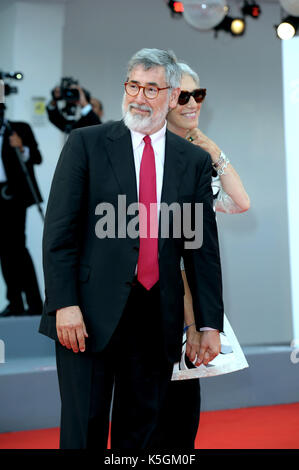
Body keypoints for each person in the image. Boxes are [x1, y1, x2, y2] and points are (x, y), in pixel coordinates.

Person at [39, 48, 224, 449]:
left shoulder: (191, 161)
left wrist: (207, 322)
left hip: (156, 320)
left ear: (173, 95)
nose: (139, 97)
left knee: (141, 434)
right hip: (84, 318)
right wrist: (63, 304)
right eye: (133, 85)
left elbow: (200, 249)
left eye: (151, 88)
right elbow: (59, 234)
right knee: (82, 431)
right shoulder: (85, 143)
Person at [152, 62, 250, 448]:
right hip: (162, 301)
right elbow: (173, 250)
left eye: (199, 95)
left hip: (188, 299)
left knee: (182, 415)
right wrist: (193, 321)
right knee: (154, 415)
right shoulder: (152, 155)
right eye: (184, 96)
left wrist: (210, 148)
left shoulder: (196, 154)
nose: (193, 104)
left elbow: (240, 202)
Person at [0, 104, 43, 317]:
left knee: (17, 248)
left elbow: (37, 156)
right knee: (4, 251)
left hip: (15, 197)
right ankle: (14, 302)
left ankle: (34, 302)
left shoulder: (19, 129)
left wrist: (21, 147)